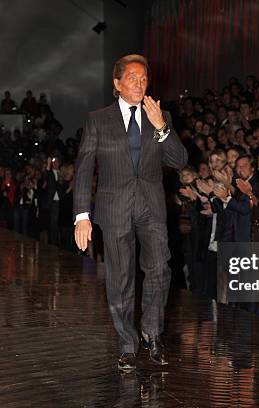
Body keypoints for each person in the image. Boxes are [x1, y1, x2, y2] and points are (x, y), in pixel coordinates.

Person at [73, 54, 188, 372]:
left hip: (151, 207)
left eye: (144, 78)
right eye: (133, 78)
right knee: (121, 279)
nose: (140, 83)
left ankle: (152, 334)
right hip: (114, 208)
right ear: (117, 84)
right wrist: (82, 215)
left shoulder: (159, 115)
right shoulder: (98, 119)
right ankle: (127, 343)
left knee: (159, 270)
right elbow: (84, 169)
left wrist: (162, 127)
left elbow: (179, 161)